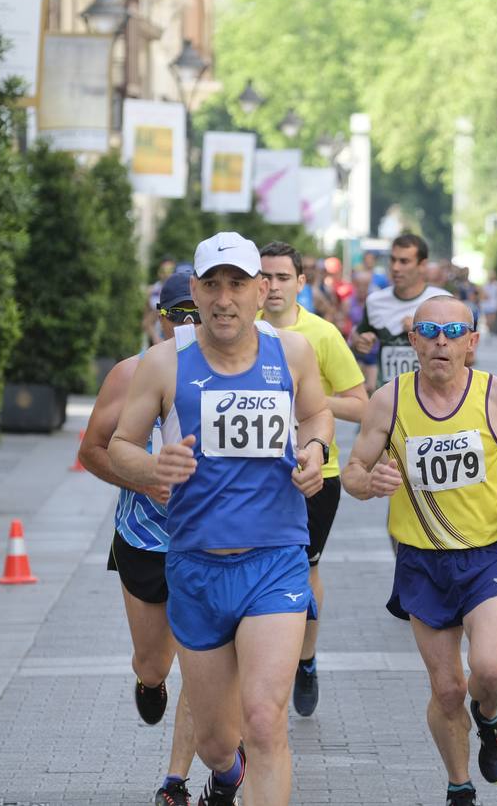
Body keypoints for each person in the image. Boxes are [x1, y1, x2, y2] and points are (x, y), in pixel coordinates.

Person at [109, 231, 335, 806]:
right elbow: (118, 447)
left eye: (238, 284)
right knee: (216, 742)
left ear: (262, 291)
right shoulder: (165, 363)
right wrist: (154, 465)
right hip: (195, 567)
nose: (225, 298)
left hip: (274, 563)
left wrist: (314, 452)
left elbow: (316, 415)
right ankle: (225, 773)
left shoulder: (293, 352)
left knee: (264, 721)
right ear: (195, 291)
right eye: (213, 285)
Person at [342, 295, 497, 806]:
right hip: (421, 560)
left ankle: (491, 719)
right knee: (449, 689)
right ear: (411, 341)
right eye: (428, 330)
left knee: (491, 671)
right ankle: (459, 788)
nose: (440, 341)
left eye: (453, 332)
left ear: (471, 343)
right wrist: (371, 482)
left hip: (486, 555)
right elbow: (351, 473)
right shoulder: (387, 401)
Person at [80, 272, 200, 806]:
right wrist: (145, 478)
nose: (186, 328)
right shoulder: (131, 374)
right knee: (155, 662)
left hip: (213, 545)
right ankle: (150, 683)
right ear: (160, 318)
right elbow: (92, 451)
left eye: (195, 316)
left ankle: (176, 781)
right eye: (177, 317)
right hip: (144, 540)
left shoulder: (241, 375)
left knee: (206, 664)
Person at [257, 241, 369, 717]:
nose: (273, 286)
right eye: (264, 277)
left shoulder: (321, 335)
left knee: (305, 568)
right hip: (255, 474)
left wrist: (309, 401)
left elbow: (360, 403)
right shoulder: (240, 331)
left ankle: (304, 659)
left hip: (314, 473)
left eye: (283, 277)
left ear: (301, 283)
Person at [350, 233, 450, 387]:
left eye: (404, 261)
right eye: (393, 260)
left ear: (422, 265)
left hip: (433, 400)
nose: (395, 267)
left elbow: (466, 356)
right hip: (390, 401)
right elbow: (357, 341)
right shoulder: (375, 301)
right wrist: (359, 344)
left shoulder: (443, 300)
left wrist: (424, 330)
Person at [144, 258, 179, 345]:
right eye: (164, 271)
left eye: (170, 270)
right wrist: (156, 338)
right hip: (156, 339)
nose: (167, 274)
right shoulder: (152, 291)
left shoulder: (180, 292)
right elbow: (145, 322)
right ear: (159, 272)